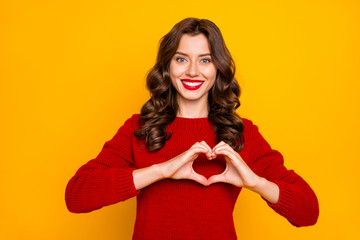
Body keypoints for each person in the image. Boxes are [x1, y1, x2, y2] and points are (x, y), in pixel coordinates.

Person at [65, 18, 319, 239]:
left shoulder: (239, 133)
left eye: (205, 60)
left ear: (218, 67)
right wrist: (162, 170)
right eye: (181, 59)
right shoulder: (140, 128)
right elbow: (76, 195)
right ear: (167, 67)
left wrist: (256, 182)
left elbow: (308, 211)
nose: (193, 71)